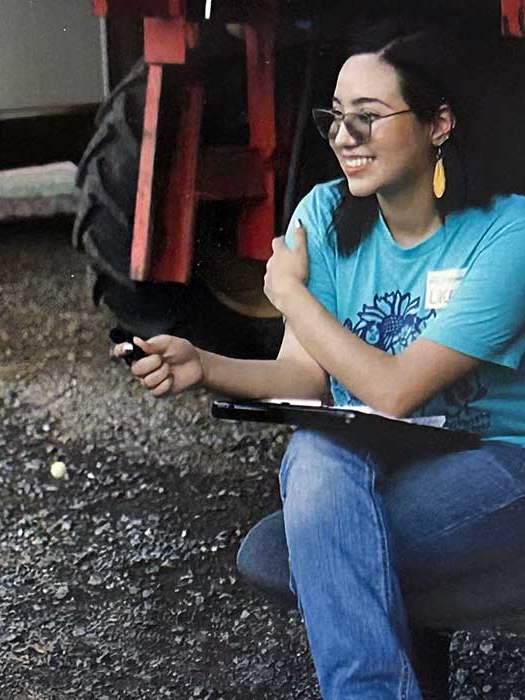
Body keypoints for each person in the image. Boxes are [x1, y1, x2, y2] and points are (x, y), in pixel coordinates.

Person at [117, 22, 525, 700]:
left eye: (368, 118)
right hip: (395, 454)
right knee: (315, 452)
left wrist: (291, 296)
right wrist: (204, 363)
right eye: (335, 118)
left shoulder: (506, 233)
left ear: (439, 124)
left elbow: (393, 391)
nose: (342, 137)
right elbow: (306, 377)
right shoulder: (325, 215)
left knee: (298, 548)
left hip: (503, 458)